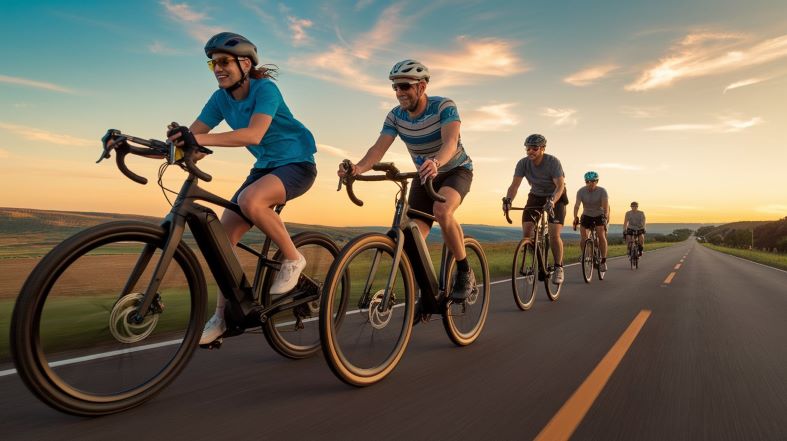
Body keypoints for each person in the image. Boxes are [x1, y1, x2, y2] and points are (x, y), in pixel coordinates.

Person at [168, 32, 318, 345]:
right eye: (213, 64)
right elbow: (192, 135)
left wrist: (197, 140)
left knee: (252, 201)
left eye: (224, 62)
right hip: (264, 167)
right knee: (221, 242)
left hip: (297, 164)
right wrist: (146, 144)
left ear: (245, 63)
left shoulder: (266, 89)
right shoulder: (221, 98)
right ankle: (223, 316)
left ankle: (293, 257)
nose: (218, 68)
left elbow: (253, 134)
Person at [337, 59, 475, 301]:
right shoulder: (395, 116)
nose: (399, 92)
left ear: (421, 87)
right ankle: (425, 296)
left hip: (455, 170)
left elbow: (450, 142)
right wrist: (357, 169)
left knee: (442, 211)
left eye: (405, 86)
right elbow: (377, 150)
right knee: (412, 238)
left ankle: (464, 271)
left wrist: (436, 163)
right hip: (424, 175)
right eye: (395, 87)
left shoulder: (444, 106)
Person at [503, 134, 568, 284]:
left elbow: (560, 186)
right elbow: (514, 185)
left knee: (553, 234)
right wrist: (508, 200)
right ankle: (535, 260)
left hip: (555, 196)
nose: (530, 151)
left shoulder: (553, 162)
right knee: (527, 232)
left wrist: (552, 201)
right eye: (528, 148)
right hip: (536, 195)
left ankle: (559, 267)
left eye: (534, 148)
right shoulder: (523, 163)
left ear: (543, 149)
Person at [572, 171, 610, 271]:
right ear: (585, 182)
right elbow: (577, 205)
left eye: (593, 181)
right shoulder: (581, 191)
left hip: (599, 214)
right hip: (586, 214)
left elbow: (606, 206)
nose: (590, 183)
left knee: (601, 235)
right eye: (588, 181)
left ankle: (603, 261)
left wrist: (605, 217)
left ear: (597, 181)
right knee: (583, 237)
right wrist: (575, 217)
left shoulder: (602, 191)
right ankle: (586, 254)